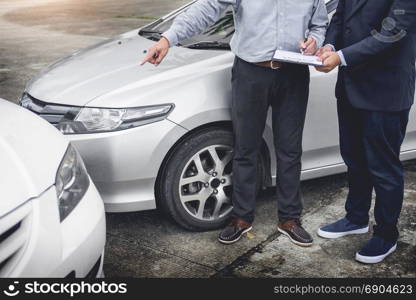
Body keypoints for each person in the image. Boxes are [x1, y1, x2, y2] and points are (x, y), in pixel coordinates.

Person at [141, 0, 328, 246]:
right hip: (251, 73)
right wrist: (168, 38)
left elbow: (319, 24)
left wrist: (314, 41)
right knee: (245, 148)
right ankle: (241, 217)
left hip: (294, 74)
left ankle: (289, 218)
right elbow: (207, 8)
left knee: (290, 150)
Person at [315, 0, 416, 263]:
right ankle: (356, 218)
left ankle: (386, 234)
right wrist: (329, 46)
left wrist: (341, 57)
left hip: (385, 90)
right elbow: (339, 20)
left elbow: (393, 31)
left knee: (383, 167)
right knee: (355, 159)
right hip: (350, 88)